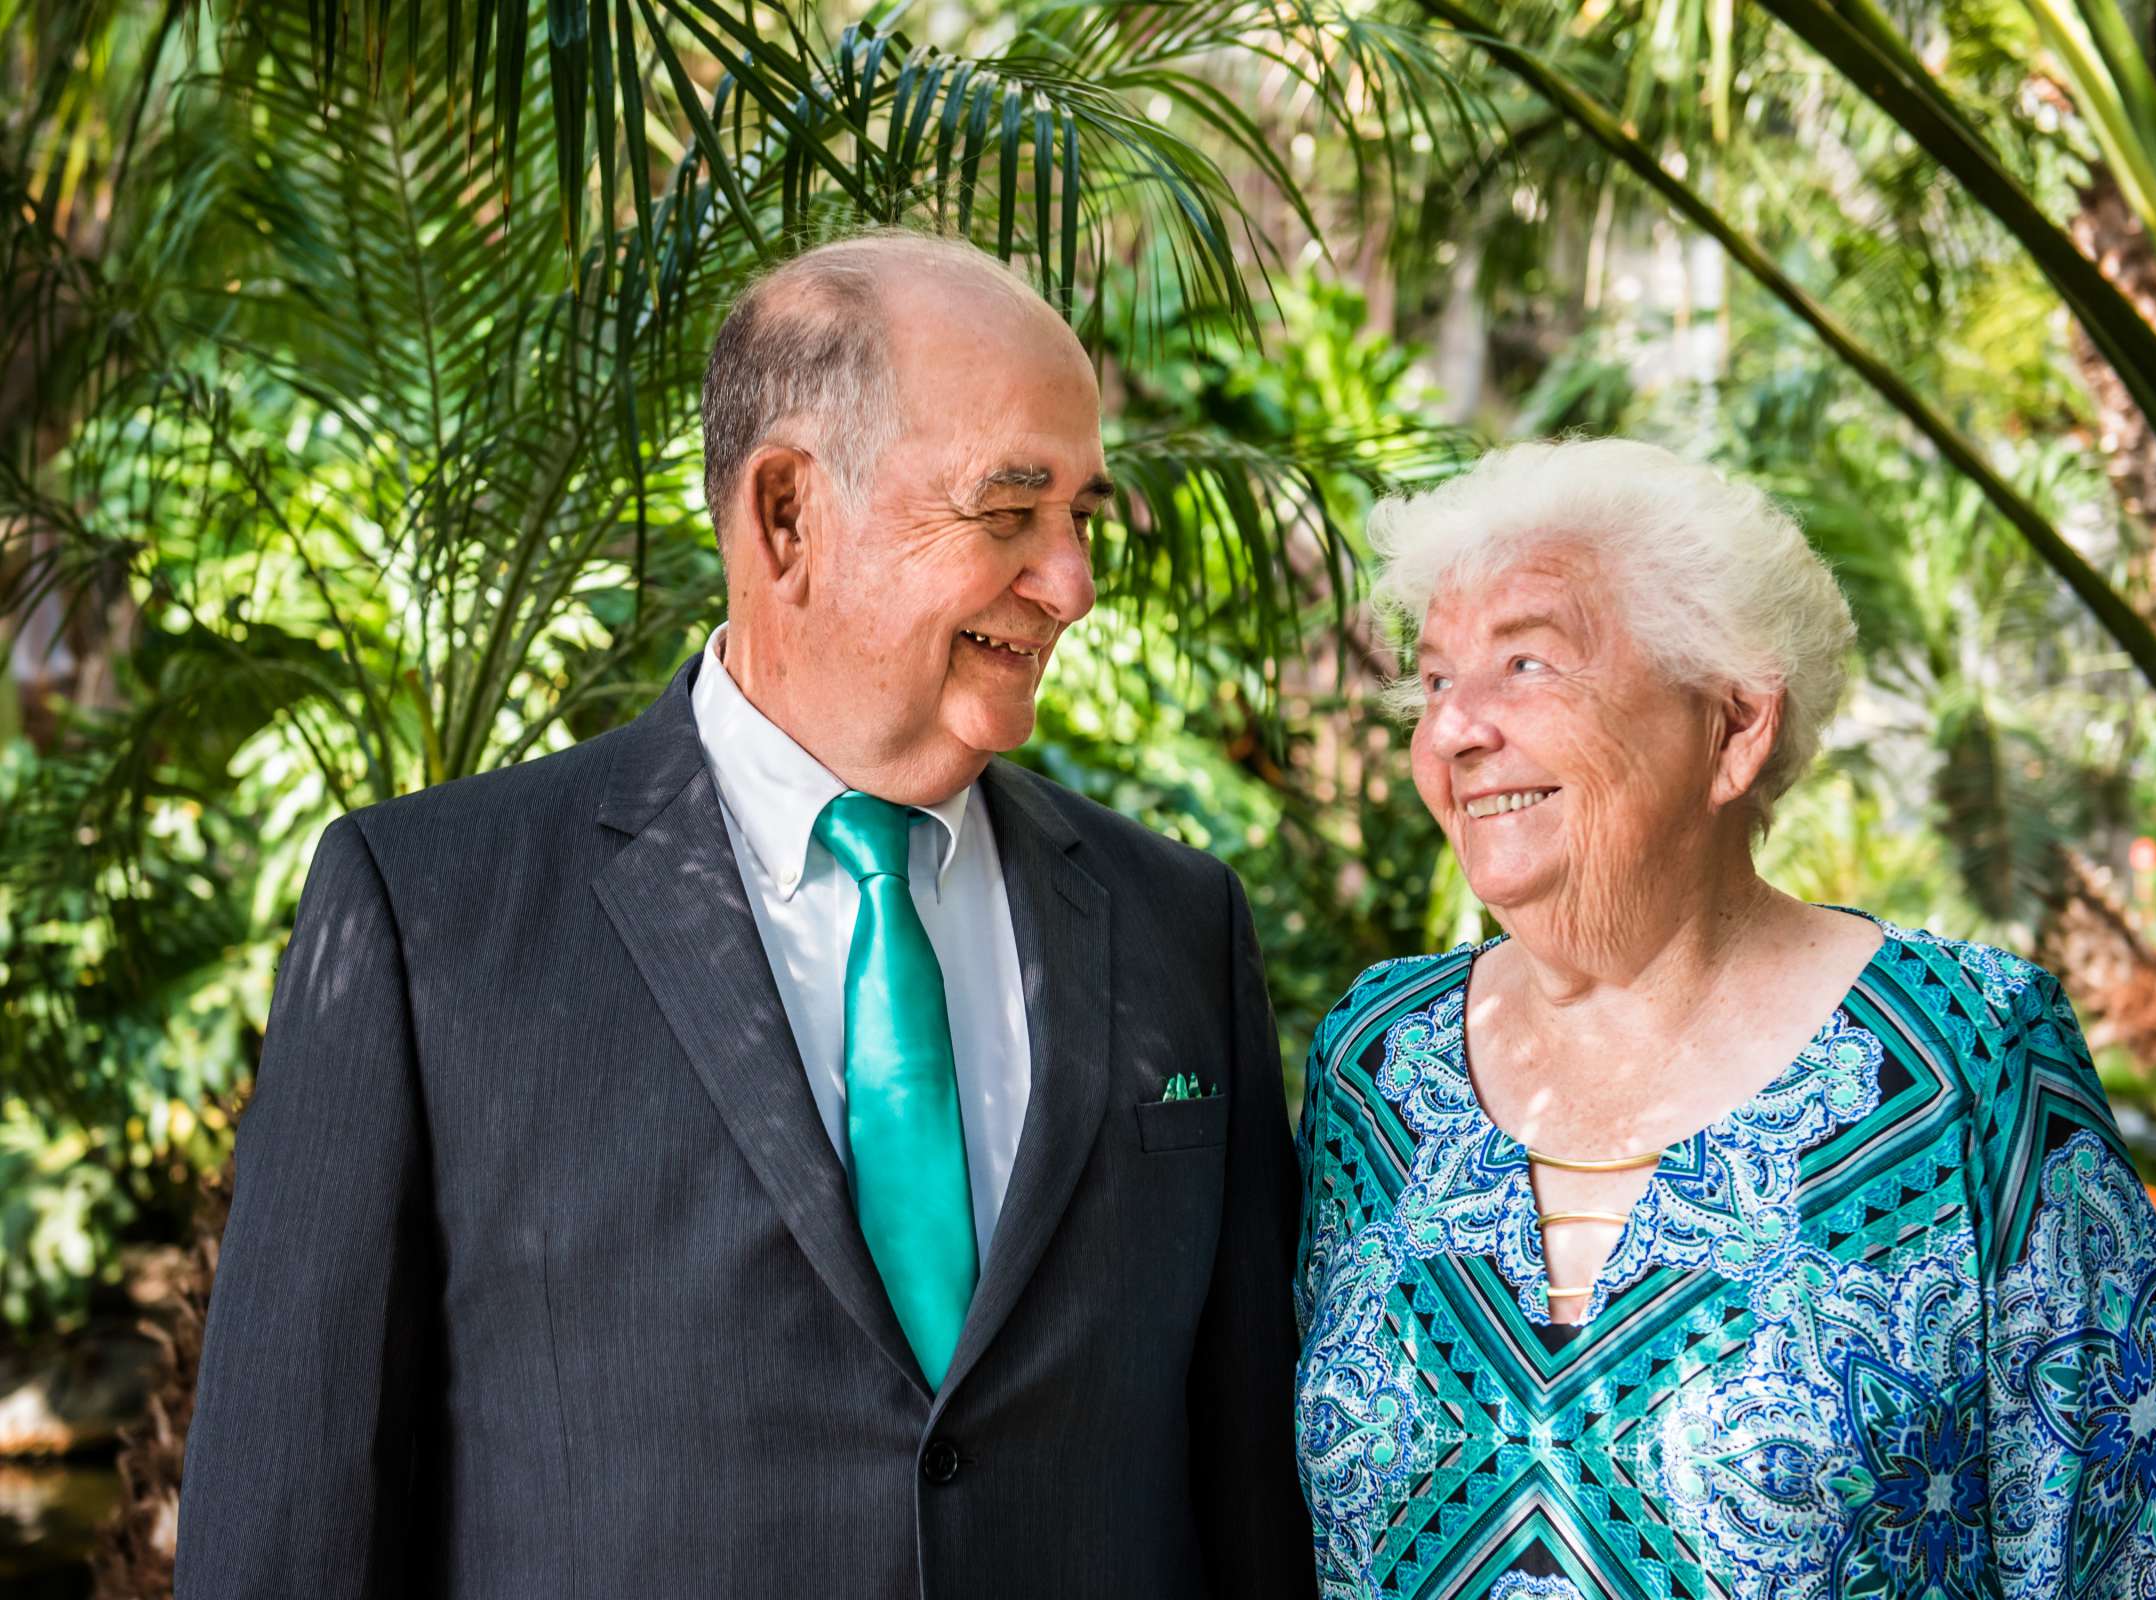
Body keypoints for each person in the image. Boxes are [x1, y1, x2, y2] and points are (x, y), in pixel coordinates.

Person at [176, 231, 1314, 1598]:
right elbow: (290, 1535)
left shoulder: (1179, 923)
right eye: (1010, 513)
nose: (1070, 580)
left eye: (1080, 514)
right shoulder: (429, 915)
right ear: (787, 517)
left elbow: (1255, 1507)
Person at [1293, 438, 2156, 1599]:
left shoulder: (1968, 1056)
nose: (1456, 728)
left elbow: (2152, 1550)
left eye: (1529, 665)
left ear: (1734, 726)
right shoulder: (1376, 1061)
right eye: (1440, 678)